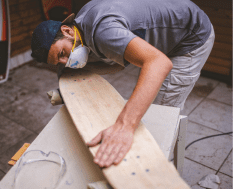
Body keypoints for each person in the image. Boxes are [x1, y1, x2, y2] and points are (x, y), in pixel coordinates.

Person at [31, 0, 215, 168]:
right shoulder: (80, 28)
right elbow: (108, 62)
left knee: (161, 112)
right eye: (59, 62)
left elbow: (159, 63)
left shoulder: (103, 32)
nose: (66, 61)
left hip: (190, 36)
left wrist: (124, 126)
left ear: (67, 30)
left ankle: (154, 165)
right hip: (171, 22)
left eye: (62, 53)